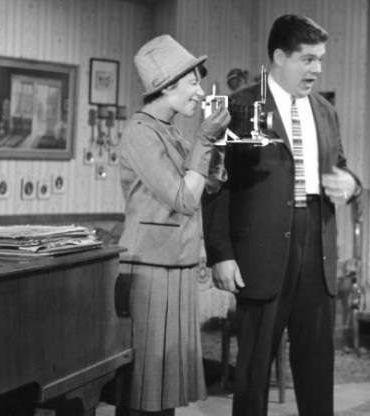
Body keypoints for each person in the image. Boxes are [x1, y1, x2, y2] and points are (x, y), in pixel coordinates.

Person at [202, 14, 361, 416]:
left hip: (317, 247)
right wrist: (221, 253)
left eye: (320, 59)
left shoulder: (326, 110)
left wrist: (351, 183)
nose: (317, 69)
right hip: (260, 253)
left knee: (316, 367)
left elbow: (341, 166)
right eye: (308, 59)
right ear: (279, 57)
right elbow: (216, 187)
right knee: (253, 372)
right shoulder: (238, 107)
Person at [113, 34, 230, 416]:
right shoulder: (140, 133)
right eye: (193, 83)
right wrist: (205, 140)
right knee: (143, 389)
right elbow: (183, 198)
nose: (200, 92)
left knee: (163, 390)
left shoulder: (171, 131)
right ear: (165, 86)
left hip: (176, 265)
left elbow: (198, 187)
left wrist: (214, 159)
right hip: (149, 269)